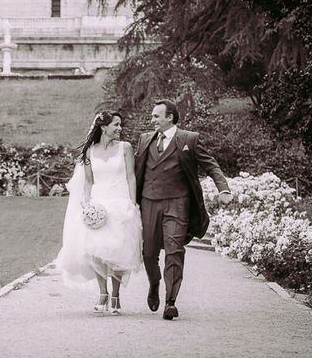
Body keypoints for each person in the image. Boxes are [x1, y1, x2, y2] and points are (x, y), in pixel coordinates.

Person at [134, 99, 232, 320]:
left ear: (170, 117)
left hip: (178, 203)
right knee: (148, 253)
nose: (152, 120)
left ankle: (170, 301)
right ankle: (154, 283)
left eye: (156, 116)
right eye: (152, 116)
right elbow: (133, 171)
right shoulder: (144, 140)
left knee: (174, 249)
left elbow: (211, 165)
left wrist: (223, 189)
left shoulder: (189, 139)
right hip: (149, 202)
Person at [55, 111, 143, 316]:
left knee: (118, 250)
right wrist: (86, 203)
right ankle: (102, 293)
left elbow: (131, 177)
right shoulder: (90, 152)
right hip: (98, 204)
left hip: (120, 204)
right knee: (96, 251)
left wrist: (132, 203)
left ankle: (116, 294)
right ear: (104, 128)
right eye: (116, 125)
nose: (120, 129)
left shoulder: (125, 148)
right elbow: (88, 181)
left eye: (120, 125)